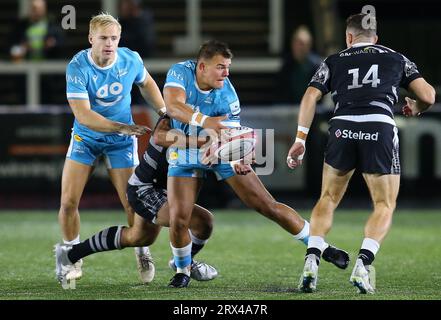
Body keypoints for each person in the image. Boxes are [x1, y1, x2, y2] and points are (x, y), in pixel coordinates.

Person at [163, 40, 350, 288]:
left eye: (228, 67)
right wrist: (205, 121)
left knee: (266, 205)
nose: (226, 73)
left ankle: (321, 247)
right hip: (186, 150)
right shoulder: (180, 72)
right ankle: (182, 270)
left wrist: (240, 156)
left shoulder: (227, 94)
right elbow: (174, 107)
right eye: (220, 67)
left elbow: (234, 135)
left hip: (218, 149)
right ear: (201, 67)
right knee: (179, 218)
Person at [287, 13, 436, 294]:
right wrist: (416, 108)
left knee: (328, 198)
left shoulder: (335, 59)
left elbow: (309, 96)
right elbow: (428, 95)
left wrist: (300, 139)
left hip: (342, 128)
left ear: (349, 37)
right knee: (384, 205)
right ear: (376, 39)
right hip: (379, 126)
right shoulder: (396, 57)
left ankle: (311, 261)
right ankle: (363, 265)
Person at [60, 13, 166, 284]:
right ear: (91, 38)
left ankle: (142, 250)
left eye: (114, 38)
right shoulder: (78, 66)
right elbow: (83, 116)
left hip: (121, 140)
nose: (109, 43)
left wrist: (164, 111)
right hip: (87, 137)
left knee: (132, 204)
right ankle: (71, 256)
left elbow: (148, 84)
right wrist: (121, 127)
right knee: (69, 201)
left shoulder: (131, 59)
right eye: (104, 38)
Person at [55, 115, 218, 288]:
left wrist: (234, 157)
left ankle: (71, 254)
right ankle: (184, 268)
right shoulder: (173, 118)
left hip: (166, 190)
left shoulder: (205, 121)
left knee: (139, 237)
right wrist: (207, 143)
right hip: (146, 188)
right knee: (191, 220)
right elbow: (160, 136)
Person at [276, 25, 322, 105]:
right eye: (297, 43)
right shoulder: (286, 66)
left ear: (309, 45)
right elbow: (281, 94)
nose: (300, 47)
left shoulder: (317, 67)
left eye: (303, 44)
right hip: (290, 111)